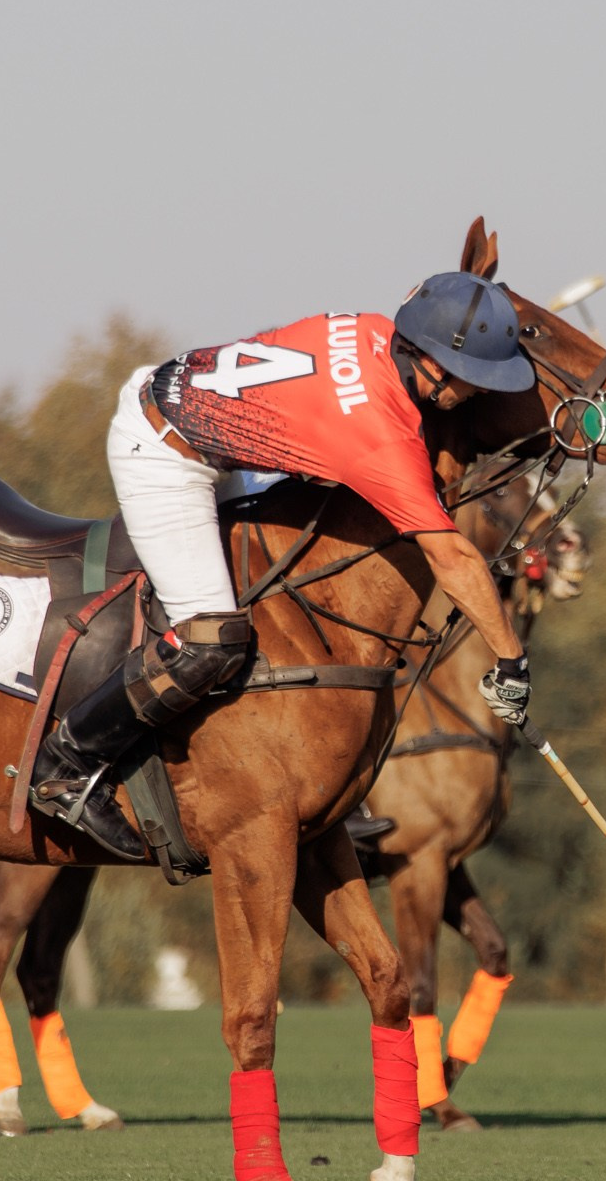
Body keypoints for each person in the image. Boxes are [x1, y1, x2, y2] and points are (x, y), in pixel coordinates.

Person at [30, 273, 538, 859]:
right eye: (473, 379)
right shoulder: (377, 437)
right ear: (431, 362)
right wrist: (510, 659)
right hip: (163, 451)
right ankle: (69, 760)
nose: (477, 393)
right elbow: (450, 556)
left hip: (201, 408)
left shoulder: (372, 330)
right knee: (209, 640)